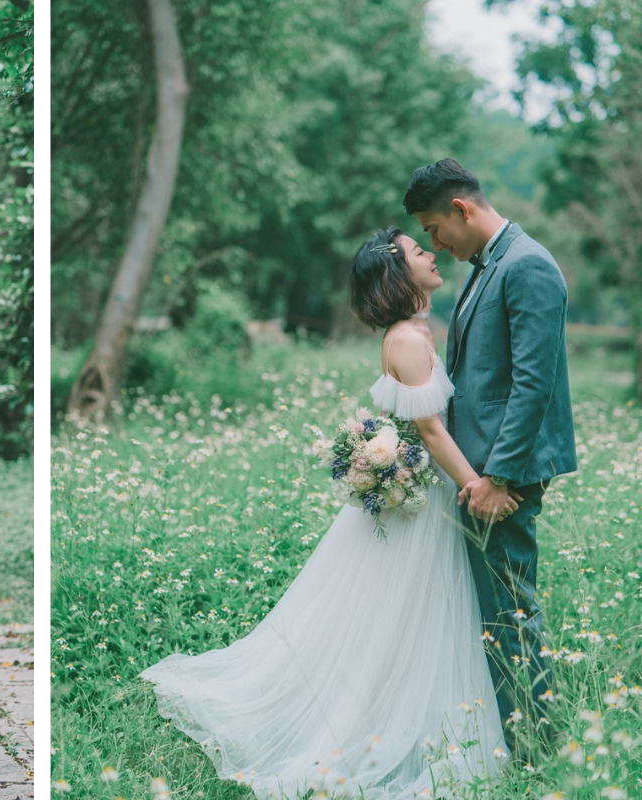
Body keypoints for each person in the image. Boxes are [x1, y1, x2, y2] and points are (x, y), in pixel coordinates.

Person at [142, 228, 509, 799]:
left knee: (398, 618)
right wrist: (477, 486)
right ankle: (380, 724)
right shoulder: (409, 340)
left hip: (413, 494)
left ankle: (401, 709)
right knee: (399, 616)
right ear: (398, 275)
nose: (431, 254)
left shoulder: (412, 331)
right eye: (419, 251)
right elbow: (432, 431)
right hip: (422, 502)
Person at [404, 158, 576, 746]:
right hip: (476, 473)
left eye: (432, 228)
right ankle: (514, 736)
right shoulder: (484, 265)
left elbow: (534, 382)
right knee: (494, 610)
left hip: (504, 475)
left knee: (510, 611)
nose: (434, 241)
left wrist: (498, 475)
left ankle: (537, 745)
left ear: (461, 209)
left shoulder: (527, 265)